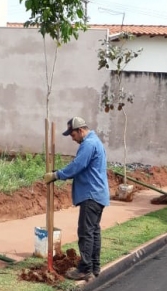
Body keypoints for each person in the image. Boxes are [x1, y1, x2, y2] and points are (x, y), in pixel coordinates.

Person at [44, 116, 110, 281]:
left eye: (73, 135)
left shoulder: (88, 144)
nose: (73, 139)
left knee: (86, 232)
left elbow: (77, 165)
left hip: (91, 195)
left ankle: (85, 269)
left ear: (80, 131)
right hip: (98, 194)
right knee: (93, 232)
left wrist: (56, 175)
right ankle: (94, 267)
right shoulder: (96, 142)